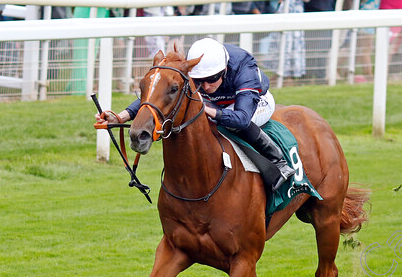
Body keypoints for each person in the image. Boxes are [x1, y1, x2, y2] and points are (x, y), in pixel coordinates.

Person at [96, 38, 296, 191]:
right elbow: (161, 93)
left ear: (224, 70)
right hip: (217, 104)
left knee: (232, 124)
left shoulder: (244, 67)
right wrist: (121, 116)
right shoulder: (199, 67)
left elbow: (243, 118)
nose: (206, 86)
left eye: (213, 79)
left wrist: (206, 108)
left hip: (255, 103)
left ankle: (278, 162)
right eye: (200, 81)